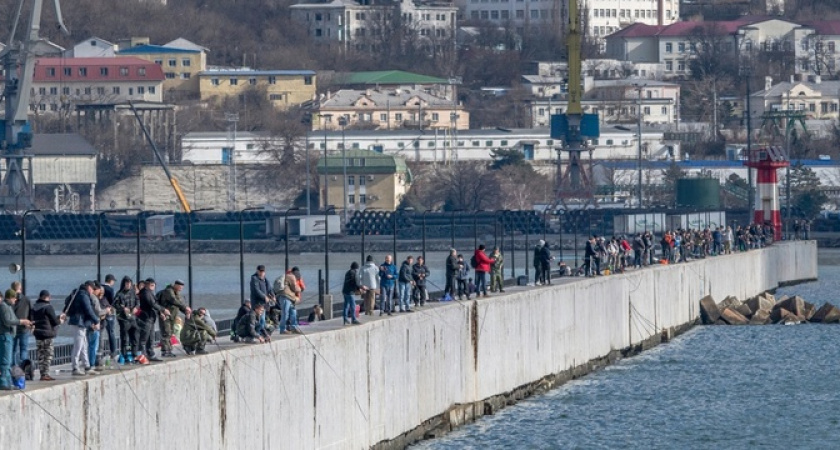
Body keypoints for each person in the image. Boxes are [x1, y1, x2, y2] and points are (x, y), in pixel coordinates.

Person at [0, 289, 32, 389]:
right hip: (6, 336)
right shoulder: (4, 307)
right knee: (6, 361)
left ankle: (8, 382)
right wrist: (21, 321)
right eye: (14, 298)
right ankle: (4, 383)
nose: (15, 301)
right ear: (9, 298)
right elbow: (7, 321)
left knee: (8, 360)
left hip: (8, 335)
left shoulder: (8, 306)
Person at [67, 282, 100, 375]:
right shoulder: (83, 295)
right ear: (88, 287)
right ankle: (75, 367)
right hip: (79, 323)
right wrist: (96, 321)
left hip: (80, 323)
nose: (93, 291)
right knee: (78, 346)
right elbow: (88, 309)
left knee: (84, 345)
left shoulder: (78, 293)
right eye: (92, 289)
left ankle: (87, 366)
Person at [30, 290, 63, 381]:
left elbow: (34, 320)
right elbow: (54, 321)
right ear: (47, 297)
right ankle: (45, 374)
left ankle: (42, 374)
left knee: (40, 355)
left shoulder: (34, 307)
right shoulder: (48, 307)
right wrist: (60, 320)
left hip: (38, 334)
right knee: (48, 354)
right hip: (47, 334)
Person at [158, 280, 190, 357]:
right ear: (175, 285)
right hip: (165, 316)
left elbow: (179, 304)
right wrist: (185, 307)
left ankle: (169, 350)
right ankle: (165, 351)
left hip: (172, 317)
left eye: (182, 287)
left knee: (170, 333)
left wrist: (186, 312)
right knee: (166, 333)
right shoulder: (168, 291)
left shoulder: (177, 293)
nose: (181, 289)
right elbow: (174, 301)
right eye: (179, 287)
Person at [112, 276, 139, 364]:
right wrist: (122, 309)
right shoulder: (119, 294)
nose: (128, 285)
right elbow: (114, 304)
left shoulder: (133, 292)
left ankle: (134, 355)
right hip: (123, 319)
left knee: (134, 337)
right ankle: (124, 355)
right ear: (123, 284)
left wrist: (136, 307)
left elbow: (138, 301)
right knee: (125, 338)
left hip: (133, 318)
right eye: (127, 283)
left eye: (129, 283)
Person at [137, 278, 164, 363]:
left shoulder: (150, 293)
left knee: (151, 338)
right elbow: (152, 304)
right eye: (152, 285)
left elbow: (155, 305)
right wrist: (163, 310)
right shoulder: (145, 293)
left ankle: (151, 354)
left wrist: (160, 313)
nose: (153, 287)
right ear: (147, 284)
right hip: (146, 318)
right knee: (144, 338)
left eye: (154, 285)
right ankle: (142, 356)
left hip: (151, 318)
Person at [10, 281, 31, 368]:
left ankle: (13, 368)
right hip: (24, 327)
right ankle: (23, 367)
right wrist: (31, 322)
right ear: (20, 288)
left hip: (12, 328)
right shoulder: (26, 299)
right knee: (23, 349)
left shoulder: (10, 300)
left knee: (13, 350)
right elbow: (31, 312)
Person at [275, 269, 301, 334]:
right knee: (285, 314)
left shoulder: (288, 276)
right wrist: (299, 289)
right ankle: (283, 329)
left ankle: (293, 327)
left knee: (293, 312)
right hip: (285, 296)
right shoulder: (291, 276)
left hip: (290, 297)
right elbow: (295, 288)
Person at [101, 274, 118, 362]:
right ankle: (113, 351)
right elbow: (112, 301)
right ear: (110, 281)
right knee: (111, 332)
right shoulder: (110, 289)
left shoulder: (100, 287)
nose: (114, 282)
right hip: (109, 312)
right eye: (113, 281)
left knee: (101, 332)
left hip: (102, 312)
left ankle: (100, 351)